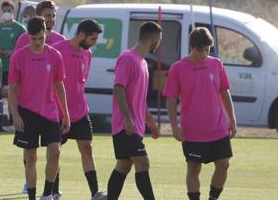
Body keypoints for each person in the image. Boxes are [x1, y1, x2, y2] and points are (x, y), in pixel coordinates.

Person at [164, 27, 236, 200]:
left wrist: (232, 119)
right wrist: (174, 125)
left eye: (207, 49)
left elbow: (224, 92)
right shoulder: (177, 68)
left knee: (223, 164)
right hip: (192, 131)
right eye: (201, 50)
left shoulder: (216, 64)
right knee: (194, 168)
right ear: (192, 47)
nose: (204, 53)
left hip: (218, 128)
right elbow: (171, 99)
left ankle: (213, 198)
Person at [9, 18, 71, 200]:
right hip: (27, 112)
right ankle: (32, 196)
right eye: (34, 39)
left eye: (41, 38)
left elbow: (59, 85)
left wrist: (66, 113)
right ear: (28, 36)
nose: (37, 42)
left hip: (50, 113)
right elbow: (13, 88)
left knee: (55, 151)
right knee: (31, 156)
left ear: (46, 34)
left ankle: (47, 193)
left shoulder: (55, 55)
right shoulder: (18, 56)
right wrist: (15, 115)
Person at [52, 19, 106, 200]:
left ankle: (95, 192)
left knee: (87, 148)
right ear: (82, 35)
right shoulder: (57, 50)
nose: (94, 43)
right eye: (93, 38)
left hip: (81, 111)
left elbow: (80, 82)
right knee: (55, 151)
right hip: (58, 112)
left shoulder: (87, 53)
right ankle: (54, 191)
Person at [107, 21, 162, 200]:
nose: (159, 44)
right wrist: (127, 118)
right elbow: (118, 88)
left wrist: (151, 123)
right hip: (126, 125)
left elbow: (140, 99)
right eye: (159, 40)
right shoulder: (127, 58)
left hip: (135, 126)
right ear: (153, 38)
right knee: (143, 163)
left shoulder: (143, 63)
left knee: (123, 165)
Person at [0, 0, 25, 118]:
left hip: (14, 67)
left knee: (13, 93)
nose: (7, 13)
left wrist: (13, 52)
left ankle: (12, 117)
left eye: (9, 10)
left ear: (13, 12)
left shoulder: (20, 29)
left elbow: (26, 48)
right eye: (5, 11)